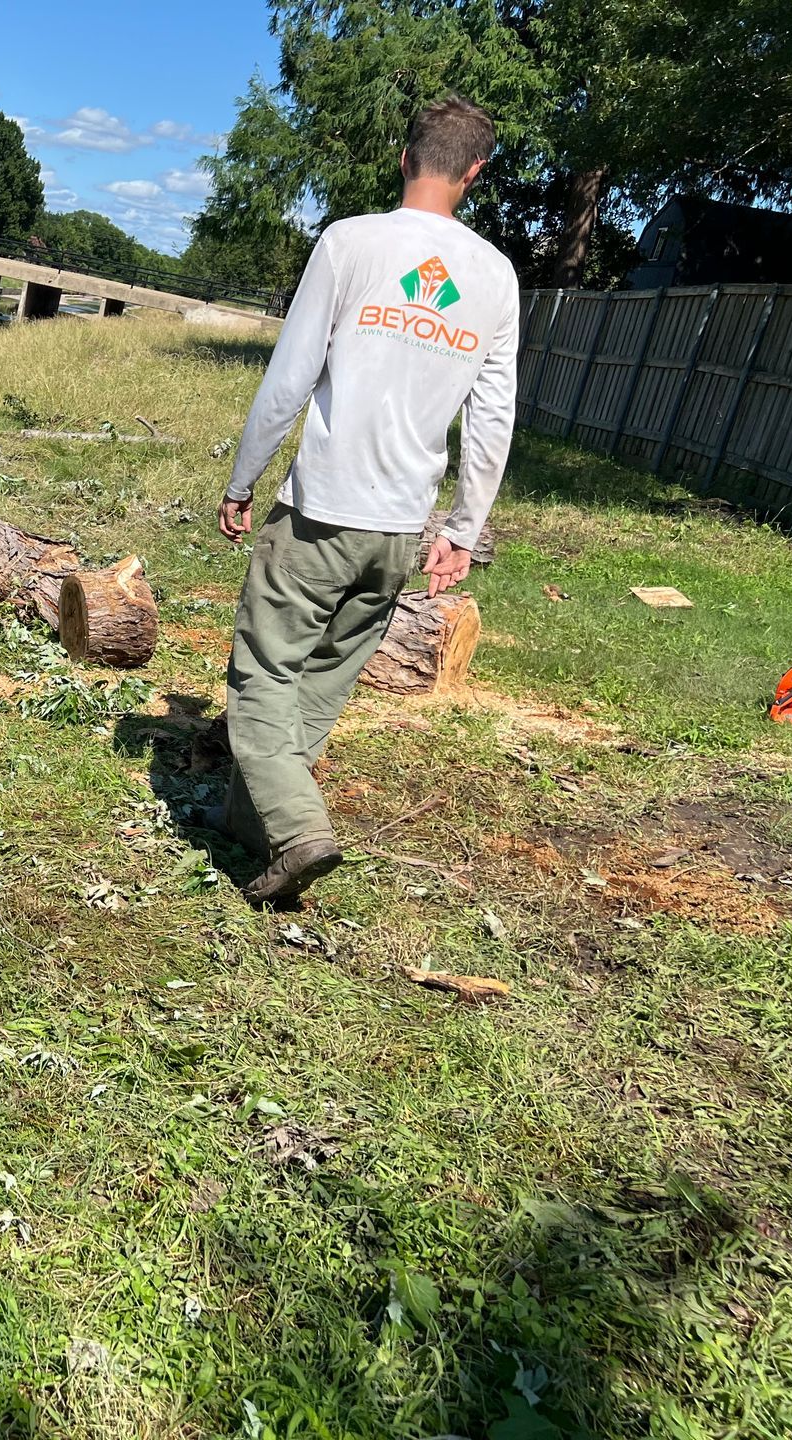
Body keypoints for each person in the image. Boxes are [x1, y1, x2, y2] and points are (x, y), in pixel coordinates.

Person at [208, 95, 520, 903]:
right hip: (397, 533)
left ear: (406, 155)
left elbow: (289, 379)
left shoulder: (350, 244)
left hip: (320, 514)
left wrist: (243, 479)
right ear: (475, 173)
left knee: (264, 679)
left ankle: (300, 830)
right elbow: (492, 417)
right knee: (319, 686)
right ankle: (254, 830)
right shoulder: (494, 277)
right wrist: (462, 527)